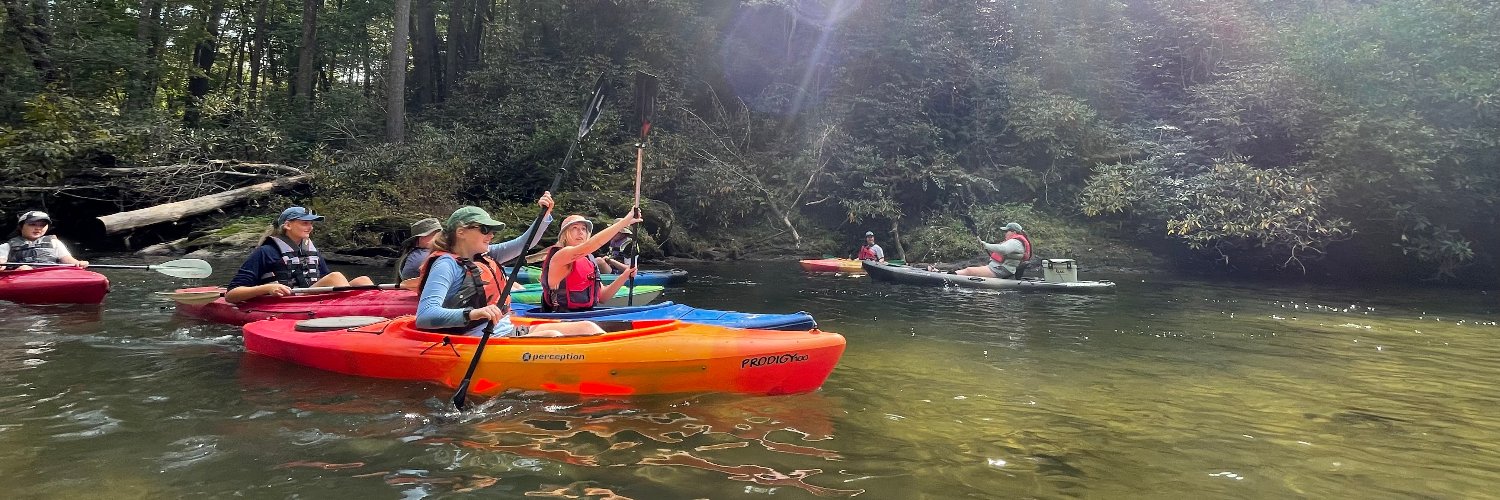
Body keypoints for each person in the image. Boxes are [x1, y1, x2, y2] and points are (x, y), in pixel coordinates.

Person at [414, 199, 601, 337]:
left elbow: (524, 243)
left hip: (505, 329)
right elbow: (425, 315)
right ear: (461, 232)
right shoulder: (445, 265)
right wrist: (474, 313)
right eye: (484, 230)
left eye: (492, 231)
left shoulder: (487, 255)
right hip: (477, 338)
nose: (491, 235)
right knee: (552, 335)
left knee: (587, 327)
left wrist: (543, 216)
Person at [223, 206, 375, 303]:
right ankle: (354, 309)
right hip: (289, 303)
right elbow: (231, 294)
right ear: (287, 225)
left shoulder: (311, 251)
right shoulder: (266, 252)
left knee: (363, 280)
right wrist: (266, 288)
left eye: (311, 223)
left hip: (311, 299)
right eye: (304, 223)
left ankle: (376, 308)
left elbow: (325, 282)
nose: (310, 227)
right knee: (336, 277)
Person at [540, 211, 643, 312]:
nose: (580, 232)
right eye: (574, 228)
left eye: (583, 229)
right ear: (564, 234)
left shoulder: (589, 259)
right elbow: (592, 244)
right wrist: (625, 221)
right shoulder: (560, 255)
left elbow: (603, 297)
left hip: (583, 316)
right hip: (560, 317)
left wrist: (625, 275)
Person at [1, 211, 89, 271]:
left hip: (50, 274)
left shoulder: (55, 243)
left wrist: (79, 263)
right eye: (32, 224)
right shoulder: (6, 246)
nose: (38, 228)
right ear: (21, 227)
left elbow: (68, 260)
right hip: (21, 276)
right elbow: (1, 262)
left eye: (42, 225)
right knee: (24, 268)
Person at [956, 222, 1033, 279]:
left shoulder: (1015, 242)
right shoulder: (1014, 241)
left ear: (1014, 232)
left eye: (1006, 231)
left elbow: (1003, 249)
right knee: (972, 268)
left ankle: (950, 276)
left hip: (1001, 270)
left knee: (969, 271)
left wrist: (986, 245)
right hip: (998, 267)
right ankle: (952, 274)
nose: (1005, 233)